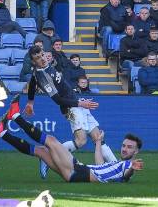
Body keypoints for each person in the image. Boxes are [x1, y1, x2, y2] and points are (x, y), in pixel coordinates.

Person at [0, 95, 144, 183]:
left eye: (129, 147)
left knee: (51, 141)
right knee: (41, 152)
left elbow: (127, 176)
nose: (124, 149)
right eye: (124, 145)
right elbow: (99, 164)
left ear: (136, 151)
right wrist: (98, 142)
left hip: (79, 171)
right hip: (76, 173)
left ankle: (15, 116)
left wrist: (131, 168)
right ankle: (2, 133)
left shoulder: (126, 166)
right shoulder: (117, 164)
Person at [24, 46, 117, 178]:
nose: (42, 59)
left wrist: (30, 102)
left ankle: (116, 166)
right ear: (34, 62)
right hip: (70, 107)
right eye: (37, 58)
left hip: (77, 102)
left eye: (42, 55)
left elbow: (32, 82)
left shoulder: (44, 68)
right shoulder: (42, 76)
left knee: (98, 138)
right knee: (81, 141)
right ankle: (48, 156)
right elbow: (57, 100)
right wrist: (80, 103)